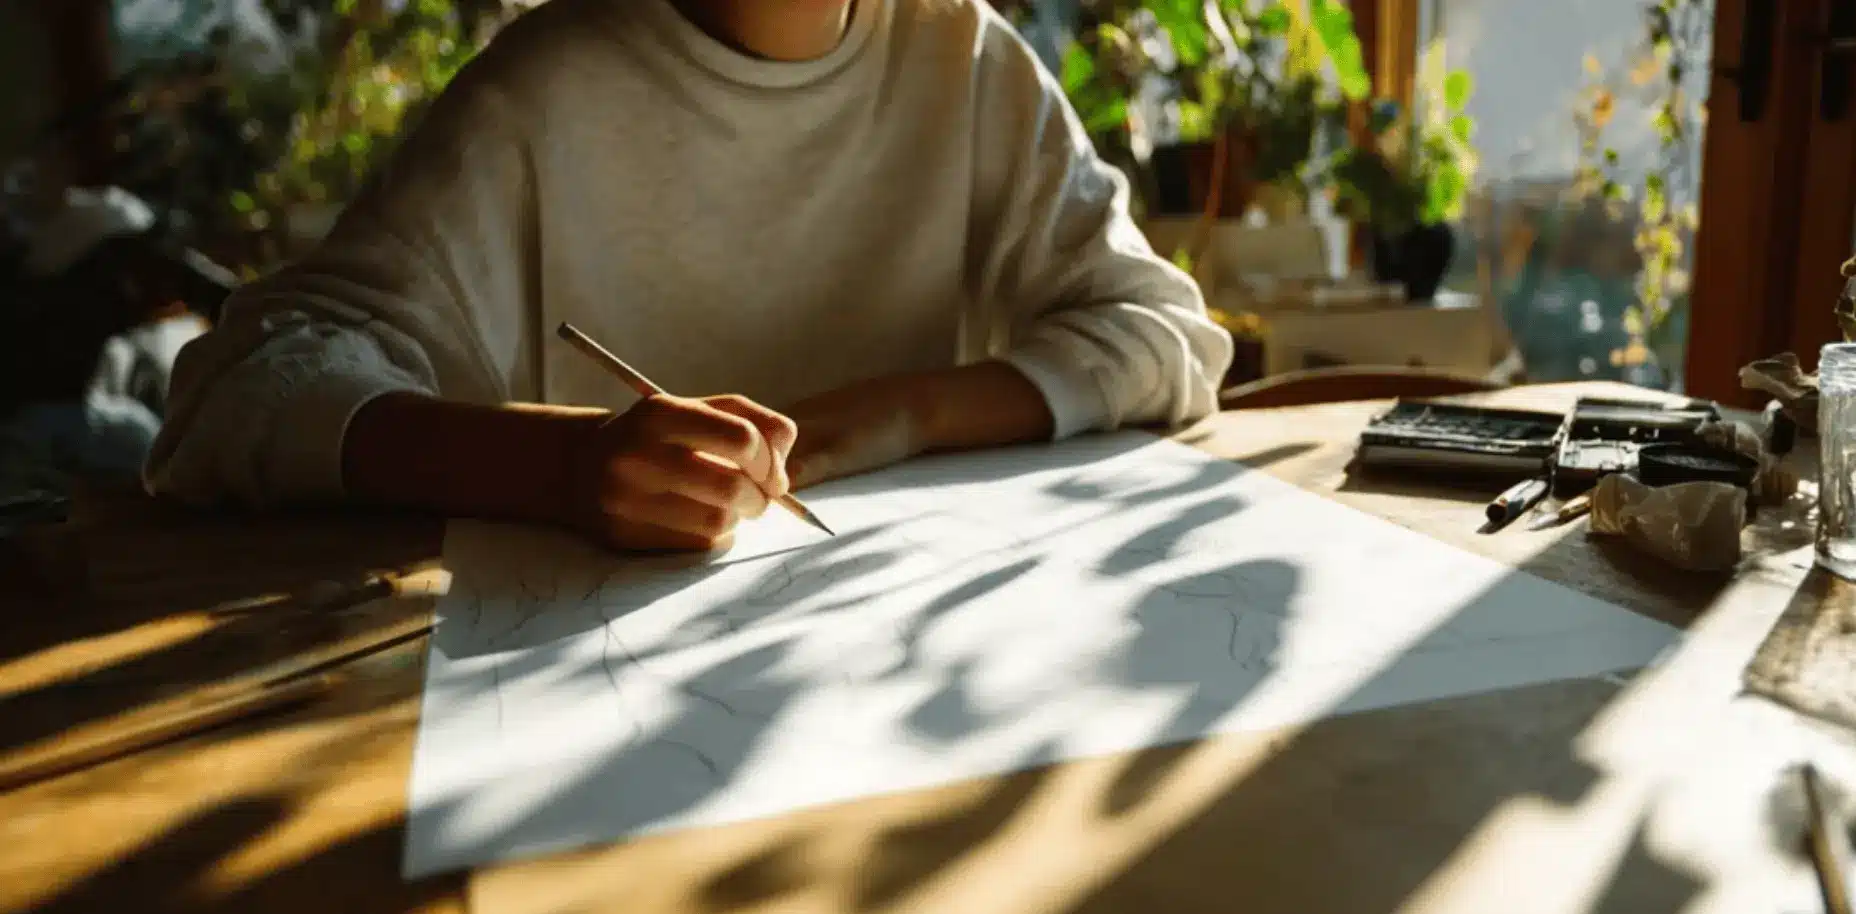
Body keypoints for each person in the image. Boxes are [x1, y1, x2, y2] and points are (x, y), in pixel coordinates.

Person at [144, 0, 1232, 552]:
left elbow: (1164, 334)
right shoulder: (544, 94)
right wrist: (564, 468)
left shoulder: (967, 56)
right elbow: (233, 393)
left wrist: (898, 414)